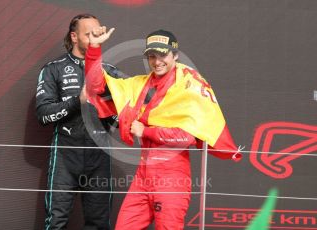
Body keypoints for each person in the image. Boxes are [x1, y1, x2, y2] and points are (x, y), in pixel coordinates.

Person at [84, 27, 241, 229]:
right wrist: (94, 48)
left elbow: (187, 137)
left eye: (163, 55)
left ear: (175, 55)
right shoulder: (139, 85)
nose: (157, 62)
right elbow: (95, 84)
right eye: (151, 56)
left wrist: (145, 131)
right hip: (143, 177)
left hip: (172, 179)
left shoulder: (188, 86)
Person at [35, 14, 120, 230]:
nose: (95, 37)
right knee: (56, 222)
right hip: (65, 154)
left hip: (99, 155)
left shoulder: (109, 72)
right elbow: (43, 114)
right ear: (74, 36)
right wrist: (78, 101)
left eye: (98, 32)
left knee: (99, 223)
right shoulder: (53, 69)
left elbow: (123, 117)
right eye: (89, 33)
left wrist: (114, 114)